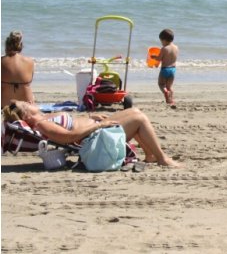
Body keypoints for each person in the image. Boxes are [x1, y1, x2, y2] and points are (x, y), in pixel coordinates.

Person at [3, 100, 182, 167]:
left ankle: (150, 155)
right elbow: (69, 137)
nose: (30, 102)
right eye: (26, 104)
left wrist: (90, 117)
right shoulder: (42, 124)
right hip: (94, 140)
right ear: (27, 115)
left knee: (135, 112)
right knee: (139, 118)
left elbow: (73, 125)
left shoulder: (45, 116)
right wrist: (98, 125)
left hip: (96, 130)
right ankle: (162, 159)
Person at [1, 31, 35, 108]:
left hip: (4, 105)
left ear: (7, 44)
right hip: (26, 106)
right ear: (21, 45)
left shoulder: (1, 61)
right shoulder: (30, 61)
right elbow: (29, 82)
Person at [153, 29, 179, 105]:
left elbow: (159, 59)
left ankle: (165, 93)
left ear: (164, 40)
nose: (161, 43)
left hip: (165, 69)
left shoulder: (164, 48)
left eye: (161, 41)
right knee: (169, 87)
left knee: (161, 84)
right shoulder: (176, 47)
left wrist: (154, 57)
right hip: (173, 70)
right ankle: (171, 100)